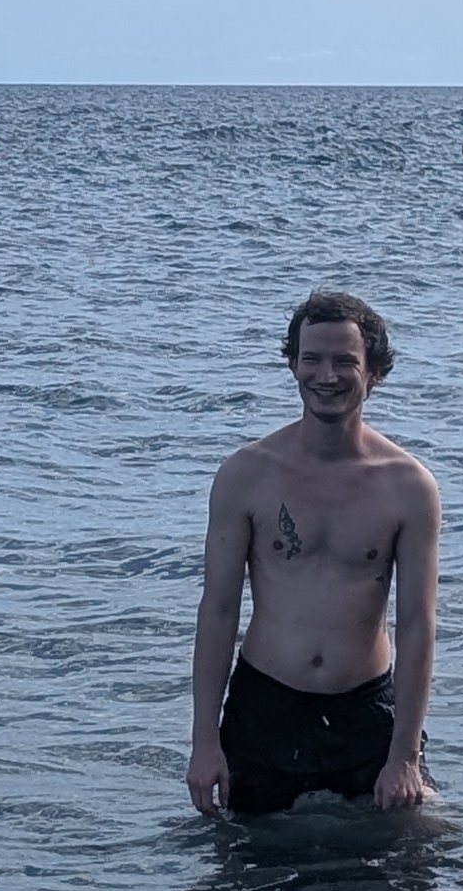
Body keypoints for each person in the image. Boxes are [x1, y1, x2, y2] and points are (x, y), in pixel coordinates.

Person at [188, 291, 440, 817]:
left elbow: (417, 624)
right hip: (266, 705)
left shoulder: (408, 486)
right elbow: (218, 611)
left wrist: (405, 755)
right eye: (312, 359)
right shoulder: (247, 474)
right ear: (293, 365)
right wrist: (204, 741)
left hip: (365, 708)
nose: (326, 375)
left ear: (374, 371)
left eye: (345, 361)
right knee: (242, 863)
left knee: (416, 857)